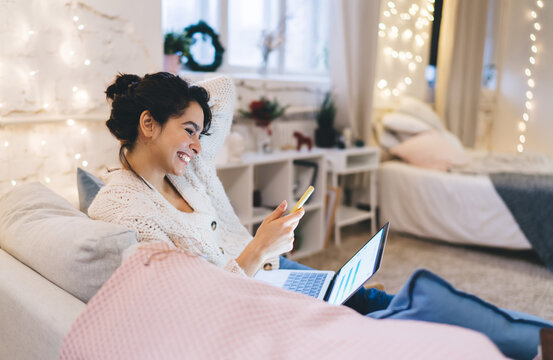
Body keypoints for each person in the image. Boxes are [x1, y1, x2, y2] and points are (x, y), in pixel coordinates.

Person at [89, 72, 550, 356]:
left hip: (273, 272)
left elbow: (223, 89)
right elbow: (193, 305)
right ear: (147, 124)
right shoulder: (121, 207)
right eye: (189, 130)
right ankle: (530, 343)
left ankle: (530, 341)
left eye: (201, 133)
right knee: (394, 309)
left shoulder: (187, 170)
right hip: (249, 299)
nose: (198, 144)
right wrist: (257, 249)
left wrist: (269, 246)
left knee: (374, 298)